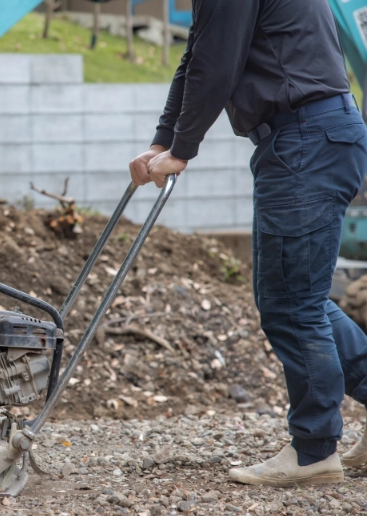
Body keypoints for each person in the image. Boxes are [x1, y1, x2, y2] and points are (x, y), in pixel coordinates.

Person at [129, 0, 367, 487]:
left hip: (305, 140)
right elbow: (197, 54)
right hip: (311, 137)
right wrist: (163, 141)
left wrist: (183, 148)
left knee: (294, 307)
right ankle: (317, 444)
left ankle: (314, 451)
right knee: (299, 300)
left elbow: (216, 64)